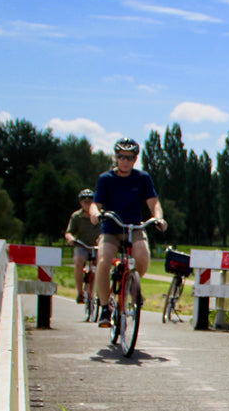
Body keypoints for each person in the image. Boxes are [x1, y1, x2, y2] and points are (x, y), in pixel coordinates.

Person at [91, 138, 165, 327]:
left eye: (130, 158)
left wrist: (158, 217)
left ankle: (132, 285)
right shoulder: (106, 179)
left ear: (135, 159)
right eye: (121, 157)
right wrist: (96, 214)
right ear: (116, 157)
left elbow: (153, 202)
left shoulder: (142, 178)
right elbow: (96, 204)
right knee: (103, 260)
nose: (125, 161)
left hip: (134, 227)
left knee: (143, 257)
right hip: (111, 227)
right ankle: (105, 307)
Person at [63, 188, 101, 305]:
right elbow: (68, 232)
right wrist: (71, 239)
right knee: (79, 261)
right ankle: (80, 293)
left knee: (102, 265)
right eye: (84, 201)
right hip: (82, 245)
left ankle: (99, 293)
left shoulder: (99, 215)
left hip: (97, 246)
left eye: (90, 200)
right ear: (80, 203)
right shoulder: (76, 216)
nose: (87, 203)